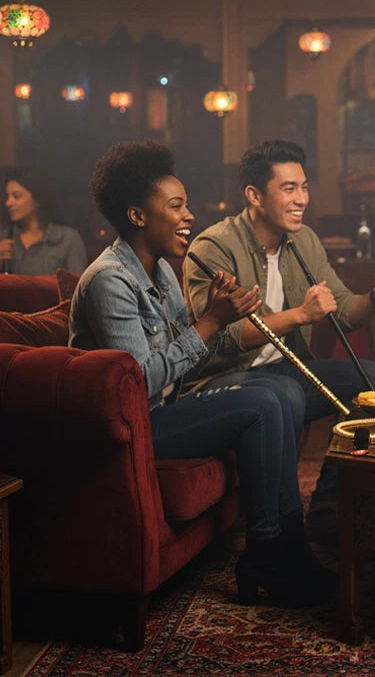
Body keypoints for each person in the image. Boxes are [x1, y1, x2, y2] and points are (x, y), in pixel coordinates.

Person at [69, 140, 335, 607]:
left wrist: (226, 314)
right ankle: (268, 551)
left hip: (168, 409)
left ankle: (289, 544)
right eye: (176, 206)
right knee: (258, 404)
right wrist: (211, 320)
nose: (189, 215)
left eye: (187, 205)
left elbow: (185, 356)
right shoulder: (109, 279)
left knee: (276, 388)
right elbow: (139, 383)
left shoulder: (162, 271)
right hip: (133, 427)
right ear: (137, 216)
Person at [183, 140, 375, 527]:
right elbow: (220, 338)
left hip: (286, 369)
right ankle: (282, 524)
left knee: (372, 380)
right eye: (289, 188)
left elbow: (343, 311)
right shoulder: (214, 247)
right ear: (255, 195)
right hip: (223, 378)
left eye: (305, 187)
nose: (302, 199)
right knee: (287, 392)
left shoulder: (304, 240)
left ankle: (329, 502)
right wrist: (300, 315)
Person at [1, 166, 87, 275]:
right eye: (7, 196)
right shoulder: (4, 237)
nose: (8, 203)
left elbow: (77, 287)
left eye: (16, 196)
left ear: (37, 199)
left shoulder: (68, 239)